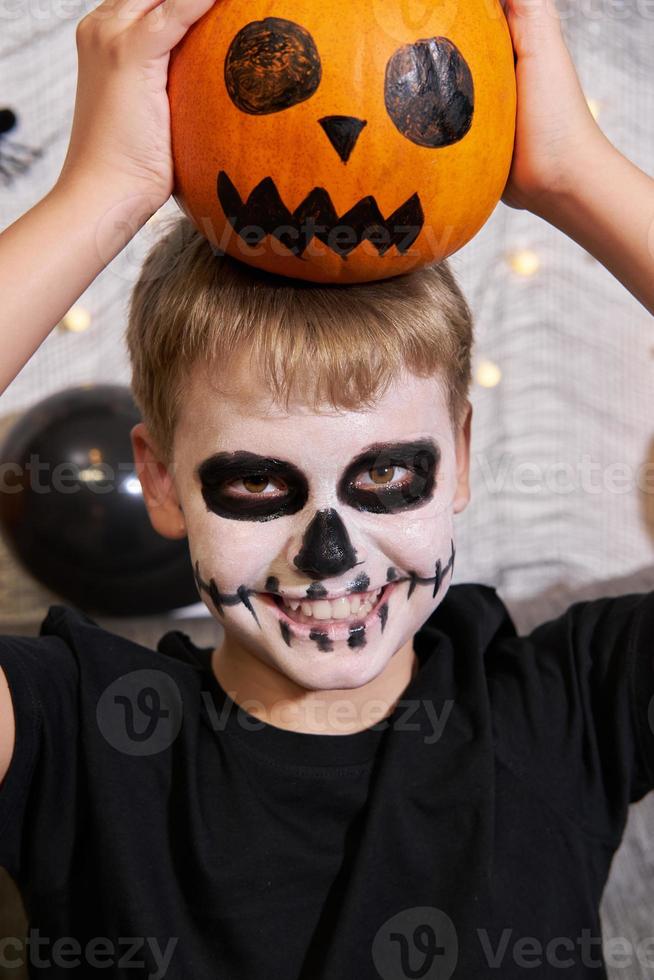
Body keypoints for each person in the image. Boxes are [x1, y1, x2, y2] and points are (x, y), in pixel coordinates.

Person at [0, 0, 652, 975]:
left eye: (388, 473)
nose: (330, 552)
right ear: (162, 481)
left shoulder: (566, 705)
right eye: (258, 482)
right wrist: (102, 191)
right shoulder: (78, 736)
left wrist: (575, 173)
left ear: (461, 459)